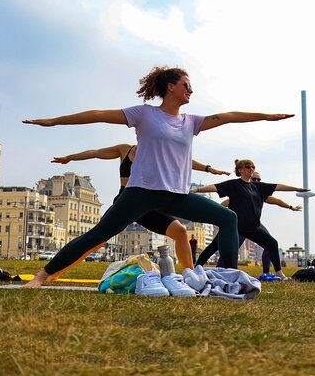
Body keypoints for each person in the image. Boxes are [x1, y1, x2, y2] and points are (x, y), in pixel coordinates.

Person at [23, 66, 293, 288]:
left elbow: (227, 116)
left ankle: (229, 279)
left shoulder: (192, 122)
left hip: (176, 195)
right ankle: (41, 276)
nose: (190, 90)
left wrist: (266, 117)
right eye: (186, 85)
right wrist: (54, 121)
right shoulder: (144, 114)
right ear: (170, 87)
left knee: (228, 217)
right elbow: (98, 115)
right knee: (99, 234)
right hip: (141, 193)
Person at [50, 144, 228, 272]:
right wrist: (70, 158)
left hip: (148, 202)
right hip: (126, 201)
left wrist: (208, 168)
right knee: (98, 239)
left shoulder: (158, 153)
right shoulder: (124, 149)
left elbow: (184, 161)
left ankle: (190, 276)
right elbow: (96, 152)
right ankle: (55, 271)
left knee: (180, 231)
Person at [193, 159, 307, 281]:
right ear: (240, 170)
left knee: (272, 243)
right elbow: (215, 187)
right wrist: (197, 190)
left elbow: (278, 187)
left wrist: (297, 189)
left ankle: (280, 274)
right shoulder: (233, 185)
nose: (251, 169)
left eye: (253, 167)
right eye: (248, 167)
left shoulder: (258, 187)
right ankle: (194, 270)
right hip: (234, 226)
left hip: (253, 227)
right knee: (212, 248)